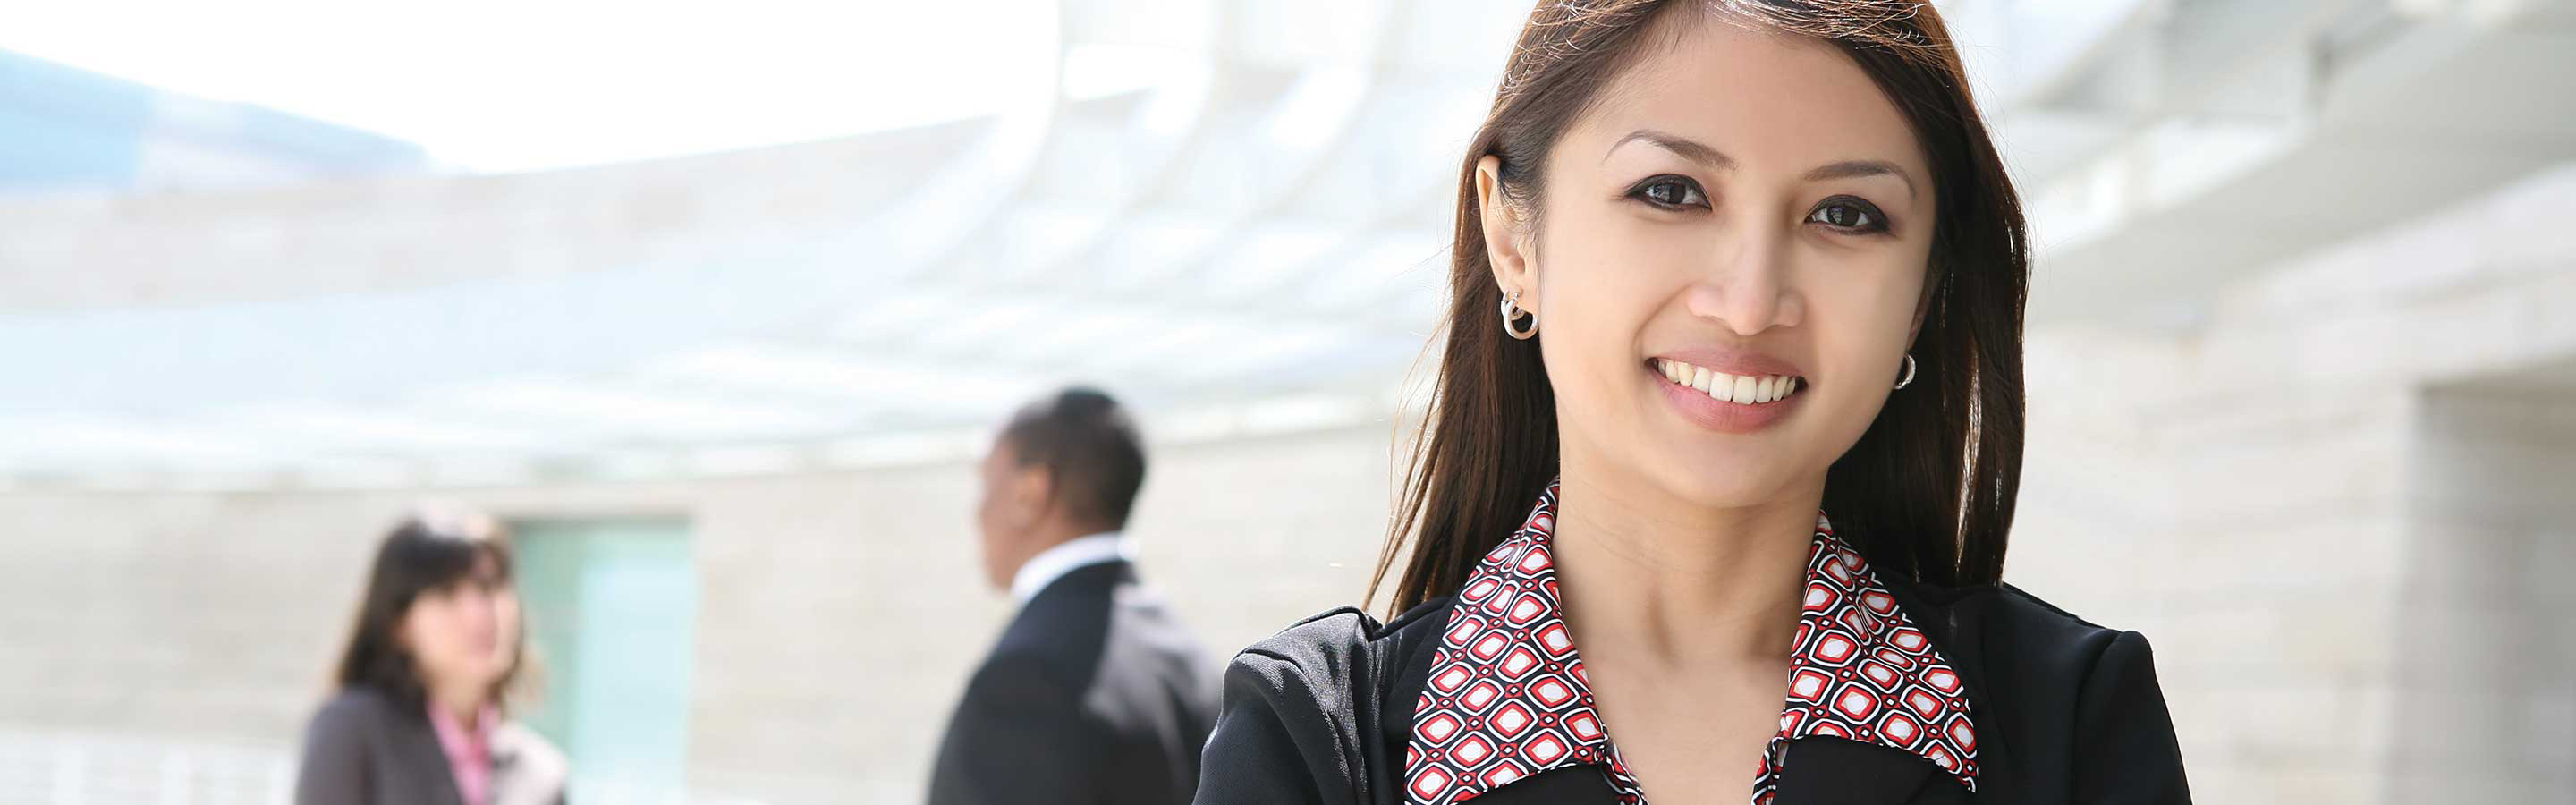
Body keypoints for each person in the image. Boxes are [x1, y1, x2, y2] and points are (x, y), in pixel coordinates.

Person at [1195, 2, 2189, 804]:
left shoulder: (2068, 721)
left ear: (1924, 294)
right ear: (1512, 239)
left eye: (1847, 215)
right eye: (1671, 192)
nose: (1752, 301)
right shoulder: (1319, 742)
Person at [928, 386, 1218, 805]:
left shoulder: (1025, 680)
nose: (977, 511)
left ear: (1030, 494)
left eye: (985, 485)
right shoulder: (1190, 657)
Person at [295, 507, 568, 805]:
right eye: (447, 594)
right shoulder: (352, 729)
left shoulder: (541, 773)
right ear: (399, 624)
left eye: (490, 588)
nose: (479, 614)